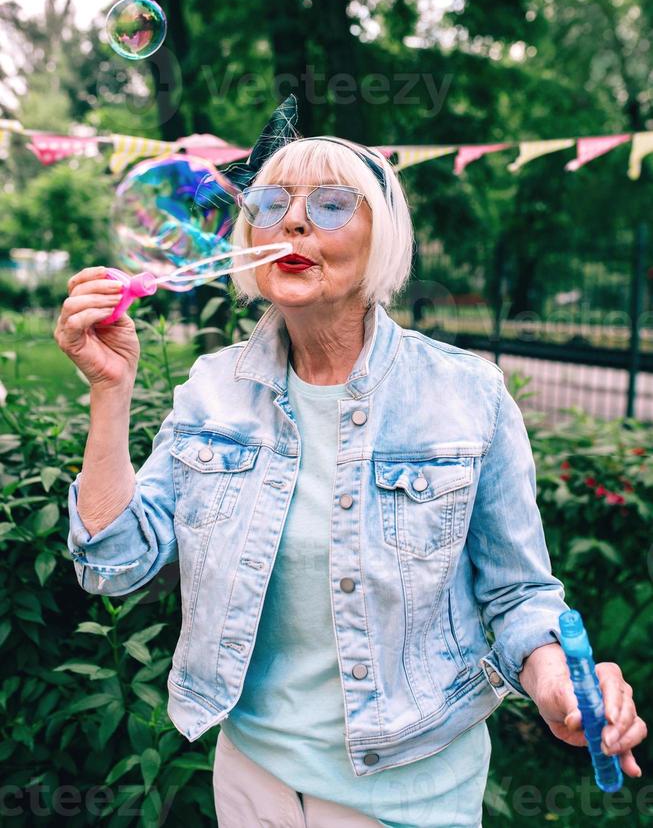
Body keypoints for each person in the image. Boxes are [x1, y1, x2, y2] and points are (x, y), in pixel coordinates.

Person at [55, 97, 646, 827]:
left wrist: (556, 676)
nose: (294, 222)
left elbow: (517, 592)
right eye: (270, 204)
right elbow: (111, 565)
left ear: (382, 238)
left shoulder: (465, 393)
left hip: (410, 790)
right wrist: (109, 394)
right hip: (253, 777)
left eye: (332, 205)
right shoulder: (213, 387)